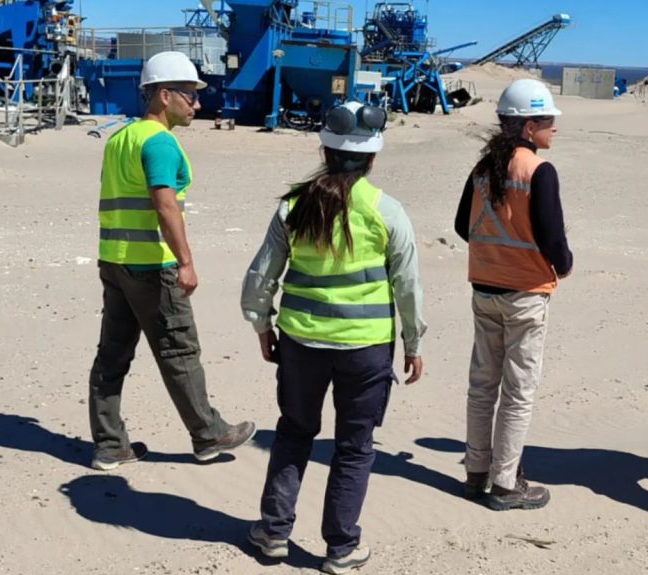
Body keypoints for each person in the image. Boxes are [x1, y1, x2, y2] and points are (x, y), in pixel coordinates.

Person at [240, 101, 426, 574]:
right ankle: (341, 548)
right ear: (372, 159)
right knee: (354, 446)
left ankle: (274, 532)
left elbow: (261, 276)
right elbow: (407, 284)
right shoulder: (387, 211)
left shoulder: (293, 207)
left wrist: (262, 323)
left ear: (324, 151)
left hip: (301, 346)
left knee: (295, 433)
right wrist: (413, 343)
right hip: (366, 351)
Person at [88, 51, 255, 471]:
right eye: (189, 95)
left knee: (112, 356)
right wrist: (186, 262)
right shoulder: (159, 142)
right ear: (164, 96)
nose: (197, 104)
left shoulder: (120, 138)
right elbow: (165, 206)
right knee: (179, 351)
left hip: (114, 260)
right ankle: (209, 434)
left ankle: (110, 445)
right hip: (151, 265)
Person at [453, 78, 573, 511]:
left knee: (482, 384)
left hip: (484, 289)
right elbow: (552, 236)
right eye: (547, 119)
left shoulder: (483, 168)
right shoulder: (539, 171)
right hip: (525, 294)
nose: (555, 126)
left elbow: (460, 226)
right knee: (518, 390)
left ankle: (476, 472)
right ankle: (506, 484)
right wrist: (564, 264)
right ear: (527, 127)